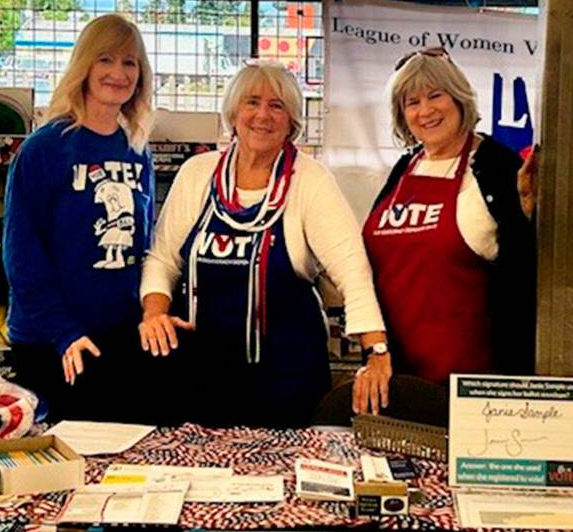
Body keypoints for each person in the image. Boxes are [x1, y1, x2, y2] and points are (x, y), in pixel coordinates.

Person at [140, 61, 391, 427]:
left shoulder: (310, 179)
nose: (263, 115)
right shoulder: (197, 173)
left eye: (277, 106)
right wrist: (155, 313)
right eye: (252, 102)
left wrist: (377, 352)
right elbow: (162, 259)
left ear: (292, 121)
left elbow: (352, 271)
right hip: (200, 373)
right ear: (233, 112)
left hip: (287, 378)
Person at [3, 14, 155, 420]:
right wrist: (64, 333)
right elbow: (22, 258)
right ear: (84, 66)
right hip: (53, 343)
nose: (118, 73)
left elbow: (144, 247)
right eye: (106, 59)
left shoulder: (137, 150)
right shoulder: (44, 149)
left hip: (117, 338)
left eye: (130, 62)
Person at [362, 48, 537, 386]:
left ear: (458, 99)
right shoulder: (405, 168)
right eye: (412, 103)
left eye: (435, 95)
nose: (425, 111)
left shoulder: (497, 167)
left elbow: (524, 267)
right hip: (400, 377)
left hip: (477, 381)